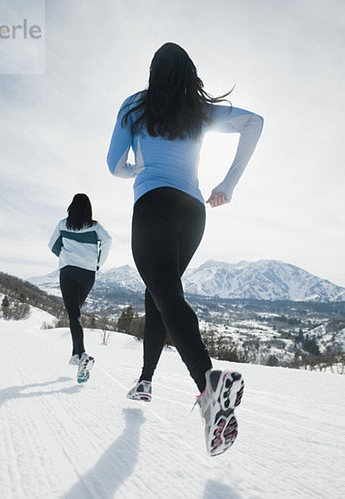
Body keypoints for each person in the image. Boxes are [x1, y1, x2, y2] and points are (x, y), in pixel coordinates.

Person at [107, 42, 263, 456]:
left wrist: (137, 168)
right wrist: (227, 185)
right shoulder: (198, 110)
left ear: (153, 73)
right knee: (160, 293)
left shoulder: (136, 106)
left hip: (153, 205)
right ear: (189, 73)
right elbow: (255, 122)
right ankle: (145, 379)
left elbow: (113, 164)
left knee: (165, 293)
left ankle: (208, 385)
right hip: (193, 212)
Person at [48, 193, 112, 383]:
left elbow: (52, 245)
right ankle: (76, 355)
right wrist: (97, 263)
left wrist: (66, 255)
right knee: (75, 313)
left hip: (68, 272)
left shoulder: (63, 224)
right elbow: (108, 241)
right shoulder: (95, 226)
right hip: (88, 275)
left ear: (71, 207)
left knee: (74, 315)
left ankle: (82, 355)